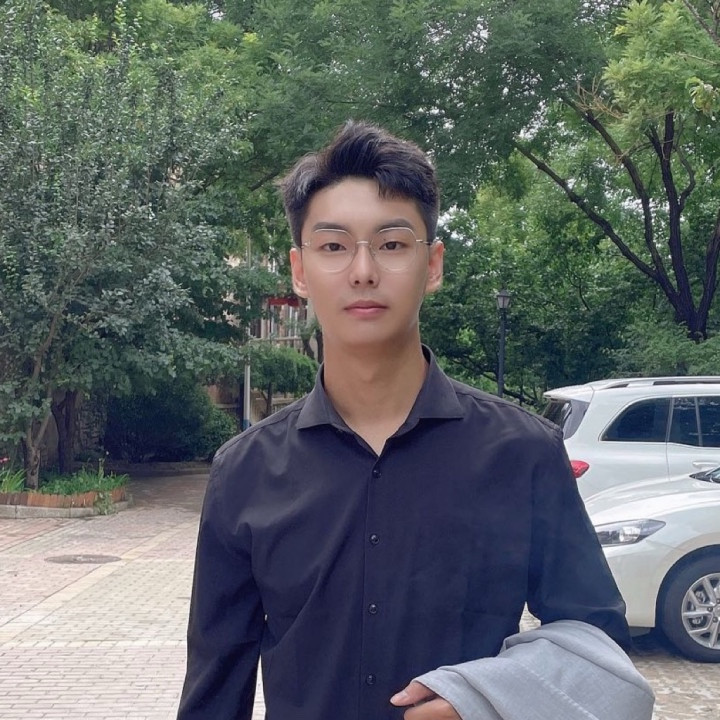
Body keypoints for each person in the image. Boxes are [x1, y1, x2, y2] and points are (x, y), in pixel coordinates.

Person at [177, 121, 654, 720]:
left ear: (432, 264)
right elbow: (215, 690)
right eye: (333, 246)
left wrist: (485, 698)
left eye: (392, 244)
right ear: (300, 271)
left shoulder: (521, 452)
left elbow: (598, 649)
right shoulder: (244, 472)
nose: (363, 271)